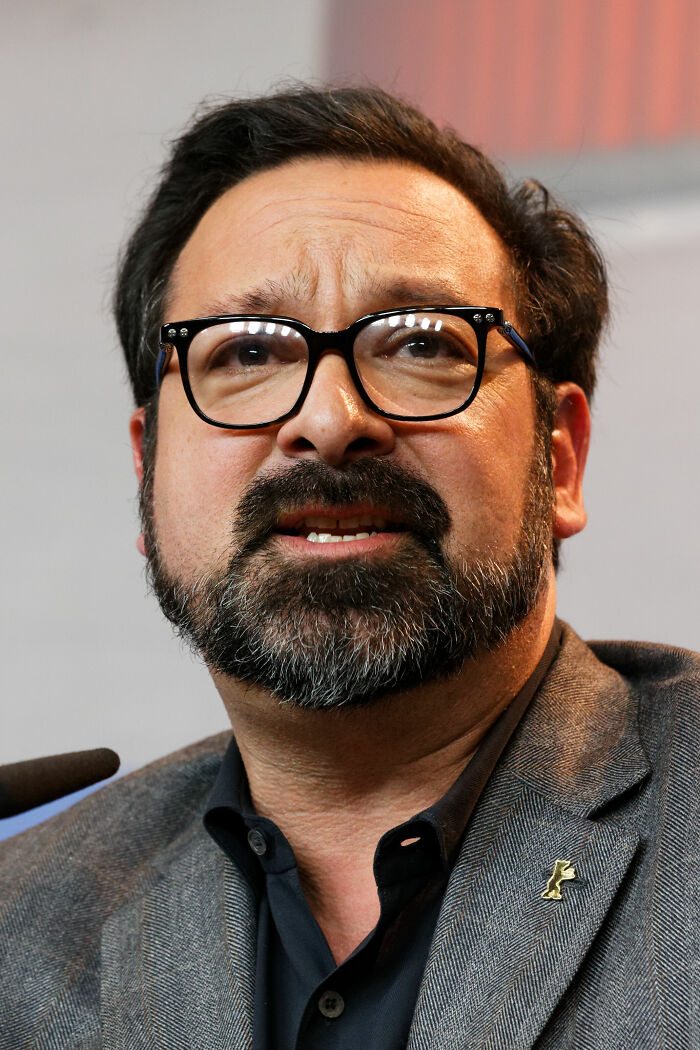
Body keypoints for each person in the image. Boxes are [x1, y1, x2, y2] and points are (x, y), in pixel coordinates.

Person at [1, 85, 697, 1050]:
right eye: (244, 351)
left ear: (561, 457)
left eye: (420, 344)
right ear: (146, 469)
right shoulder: (18, 925)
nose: (327, 422)